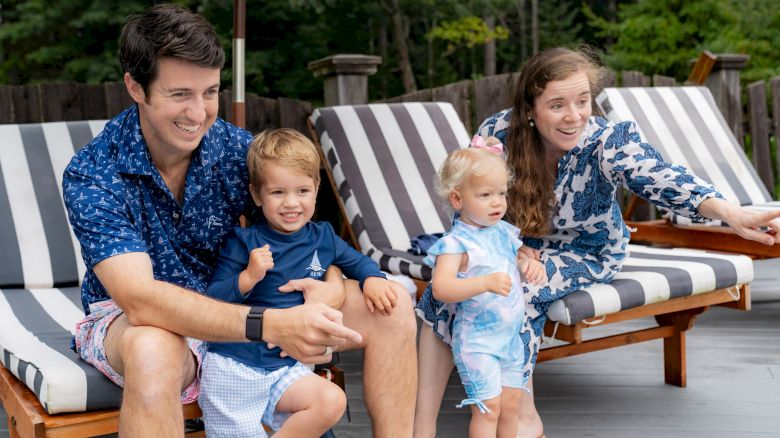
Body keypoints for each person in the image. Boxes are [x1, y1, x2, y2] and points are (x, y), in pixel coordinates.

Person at [62, 4, 416, 437]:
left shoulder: (239, 152)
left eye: (210, 92)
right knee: (151, 349)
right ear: (136, 87)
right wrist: (272, 324)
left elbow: (306, 234)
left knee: (392, 308)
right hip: (141, 320)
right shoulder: (94, 172)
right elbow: (140, 300)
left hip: (245, 298)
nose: (199, 113)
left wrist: (330, 286)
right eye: (180, 94)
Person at [413, 47, 780, 438]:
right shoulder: (496, 135)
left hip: (586, 251)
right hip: (509, 244)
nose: (574, 116)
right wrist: (503, 250)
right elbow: (470, 198)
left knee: (516, 286)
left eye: (583, 101)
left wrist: (732, 214)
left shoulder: (607, 141)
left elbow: (661, 176)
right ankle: (417, 425)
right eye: (557, 105)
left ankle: (522, 416)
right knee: (442, 294)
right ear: (529, 110)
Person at [199, 128, 401, 437]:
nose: (291, 203)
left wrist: (372, 277)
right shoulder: (244, 241)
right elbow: (212, 301)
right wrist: (247, 277)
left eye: (302, 191)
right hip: (235, 367)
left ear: (317, 188)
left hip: (285, 370)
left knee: (331, 400)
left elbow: (356, 261)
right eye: (278, 192)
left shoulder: (323, 237)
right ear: (257, 195)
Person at [426, 145, 546, 437]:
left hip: (510, 338)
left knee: (511, 404)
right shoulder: (456, 243)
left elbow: (514, 259)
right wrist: (484, 283)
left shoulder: (503, 231)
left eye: (502, 193)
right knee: (488, 406)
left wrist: (530, 264)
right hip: (477, 341)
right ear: (457, 199)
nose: (498, 202)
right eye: (485, 195)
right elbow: (441, 288)